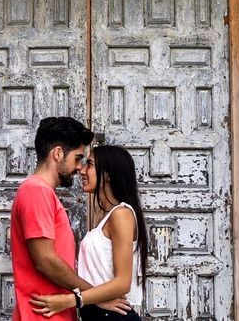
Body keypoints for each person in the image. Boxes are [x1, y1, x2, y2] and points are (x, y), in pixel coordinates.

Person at [10, 118, 131, 321]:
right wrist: (94, 296)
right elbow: (46, 260)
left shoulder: (42, 193)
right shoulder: (36, 192)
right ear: (57, 154)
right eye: (77, 158)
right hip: (43, 315)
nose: (79, 168)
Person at [29, 144, 149, 320]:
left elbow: (123, 283)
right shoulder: (107, 216)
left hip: (113, 316)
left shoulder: (121, 214)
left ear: (107, 175)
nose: (82, 170)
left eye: (90, 164)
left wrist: (70, 301)